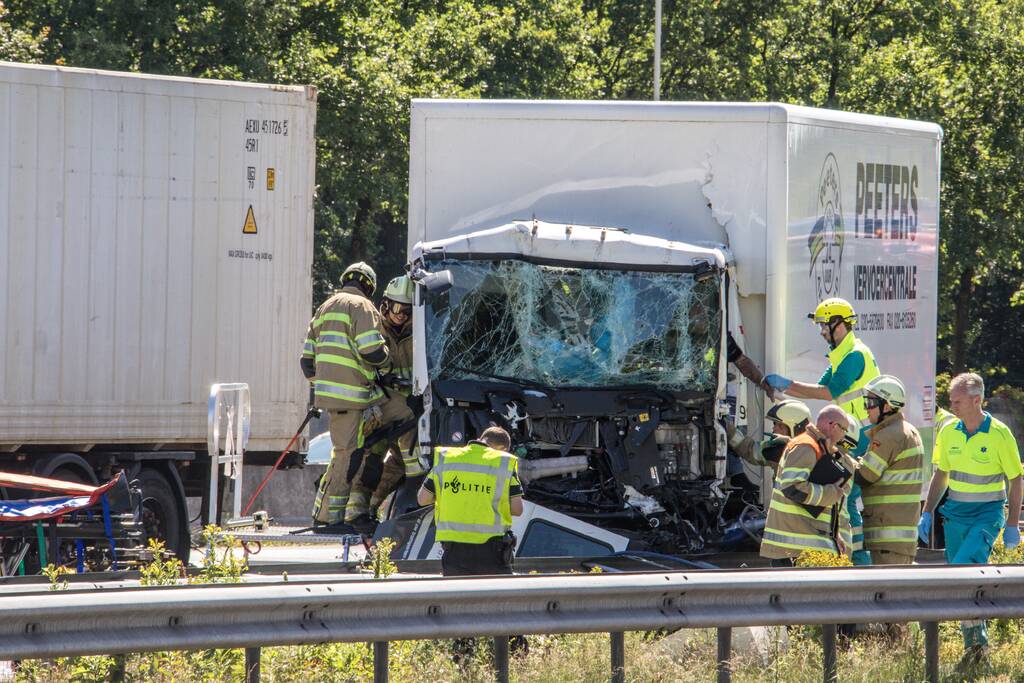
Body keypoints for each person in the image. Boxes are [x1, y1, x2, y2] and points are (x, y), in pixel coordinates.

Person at [919, 372, 1023, 666]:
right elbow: (942, 474)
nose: (952, 406)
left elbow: (1016, 479)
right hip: (955, 516)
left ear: (976, 401)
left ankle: (978, 650)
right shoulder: (949, 432)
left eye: (957, 401)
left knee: (964, 570)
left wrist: (1012, 523)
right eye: (951, 401)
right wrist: (927, 512)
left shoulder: (1000, 434)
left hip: (986, 515)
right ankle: (975, 650)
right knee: (961, 580)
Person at [302, 261, 390, 529]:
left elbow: (307, 364)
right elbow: (372, 350)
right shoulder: (362, 306)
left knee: (342, 454)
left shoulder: (324, 307)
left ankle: (325, 515)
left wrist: (329, 382)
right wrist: (387, 365)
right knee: (347, 457)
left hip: (331, 398)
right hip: (351, 399)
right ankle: (330, 519)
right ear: (369, 286)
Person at [417, 426, 523, 576]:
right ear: (502, 449)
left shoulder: (446, 458)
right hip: (492, 551)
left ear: (481, 437)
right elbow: (517, 509)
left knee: (458, 598)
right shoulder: (504, 463)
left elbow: (423, 499)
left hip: (454, 552)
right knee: (497, 599)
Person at [760, 405, 857, 566]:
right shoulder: (806, 445)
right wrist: (831, 493)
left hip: (800, 547)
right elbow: (792, 487)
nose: (843, 436)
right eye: (843, 430)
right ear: (832, 425)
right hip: (794, 549)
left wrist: (834, 535)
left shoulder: (816, 447)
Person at [764, 298, 880, 424]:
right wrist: (781, 389)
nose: (822, 332)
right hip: (857, 430)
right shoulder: (844, 355)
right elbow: (817, 391)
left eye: (824, 325)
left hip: (864, 432)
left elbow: (828, 393)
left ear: (839, 324)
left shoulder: (854, 356)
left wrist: (788, 384)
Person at [853, 375, 924, 565]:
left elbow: (864, 475)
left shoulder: (888, 435)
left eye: (871, 403)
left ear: (887, 406)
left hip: (886, 535)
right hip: (899, 537)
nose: (866, 409)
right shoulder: (908, 430)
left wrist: (843, 459)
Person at [366, 275, 421, 517]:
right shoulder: (373, 330)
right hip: (380, 405)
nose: (400, 315)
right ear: (386, 304)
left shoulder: (419, 334)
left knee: (405, 462)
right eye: (396, 308)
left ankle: (377, 506)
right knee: (369, 459)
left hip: (410, 410)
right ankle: (358, 512)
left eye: (407, 311)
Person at [727, 399, 812, 472]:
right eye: (774, 424)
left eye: (780, 426)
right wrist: (728, 428)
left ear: (797, 429)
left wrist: (726, 425)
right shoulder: (781, 447)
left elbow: (750, 451)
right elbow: (750, 449)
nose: (774, 429)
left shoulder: (783, 451)